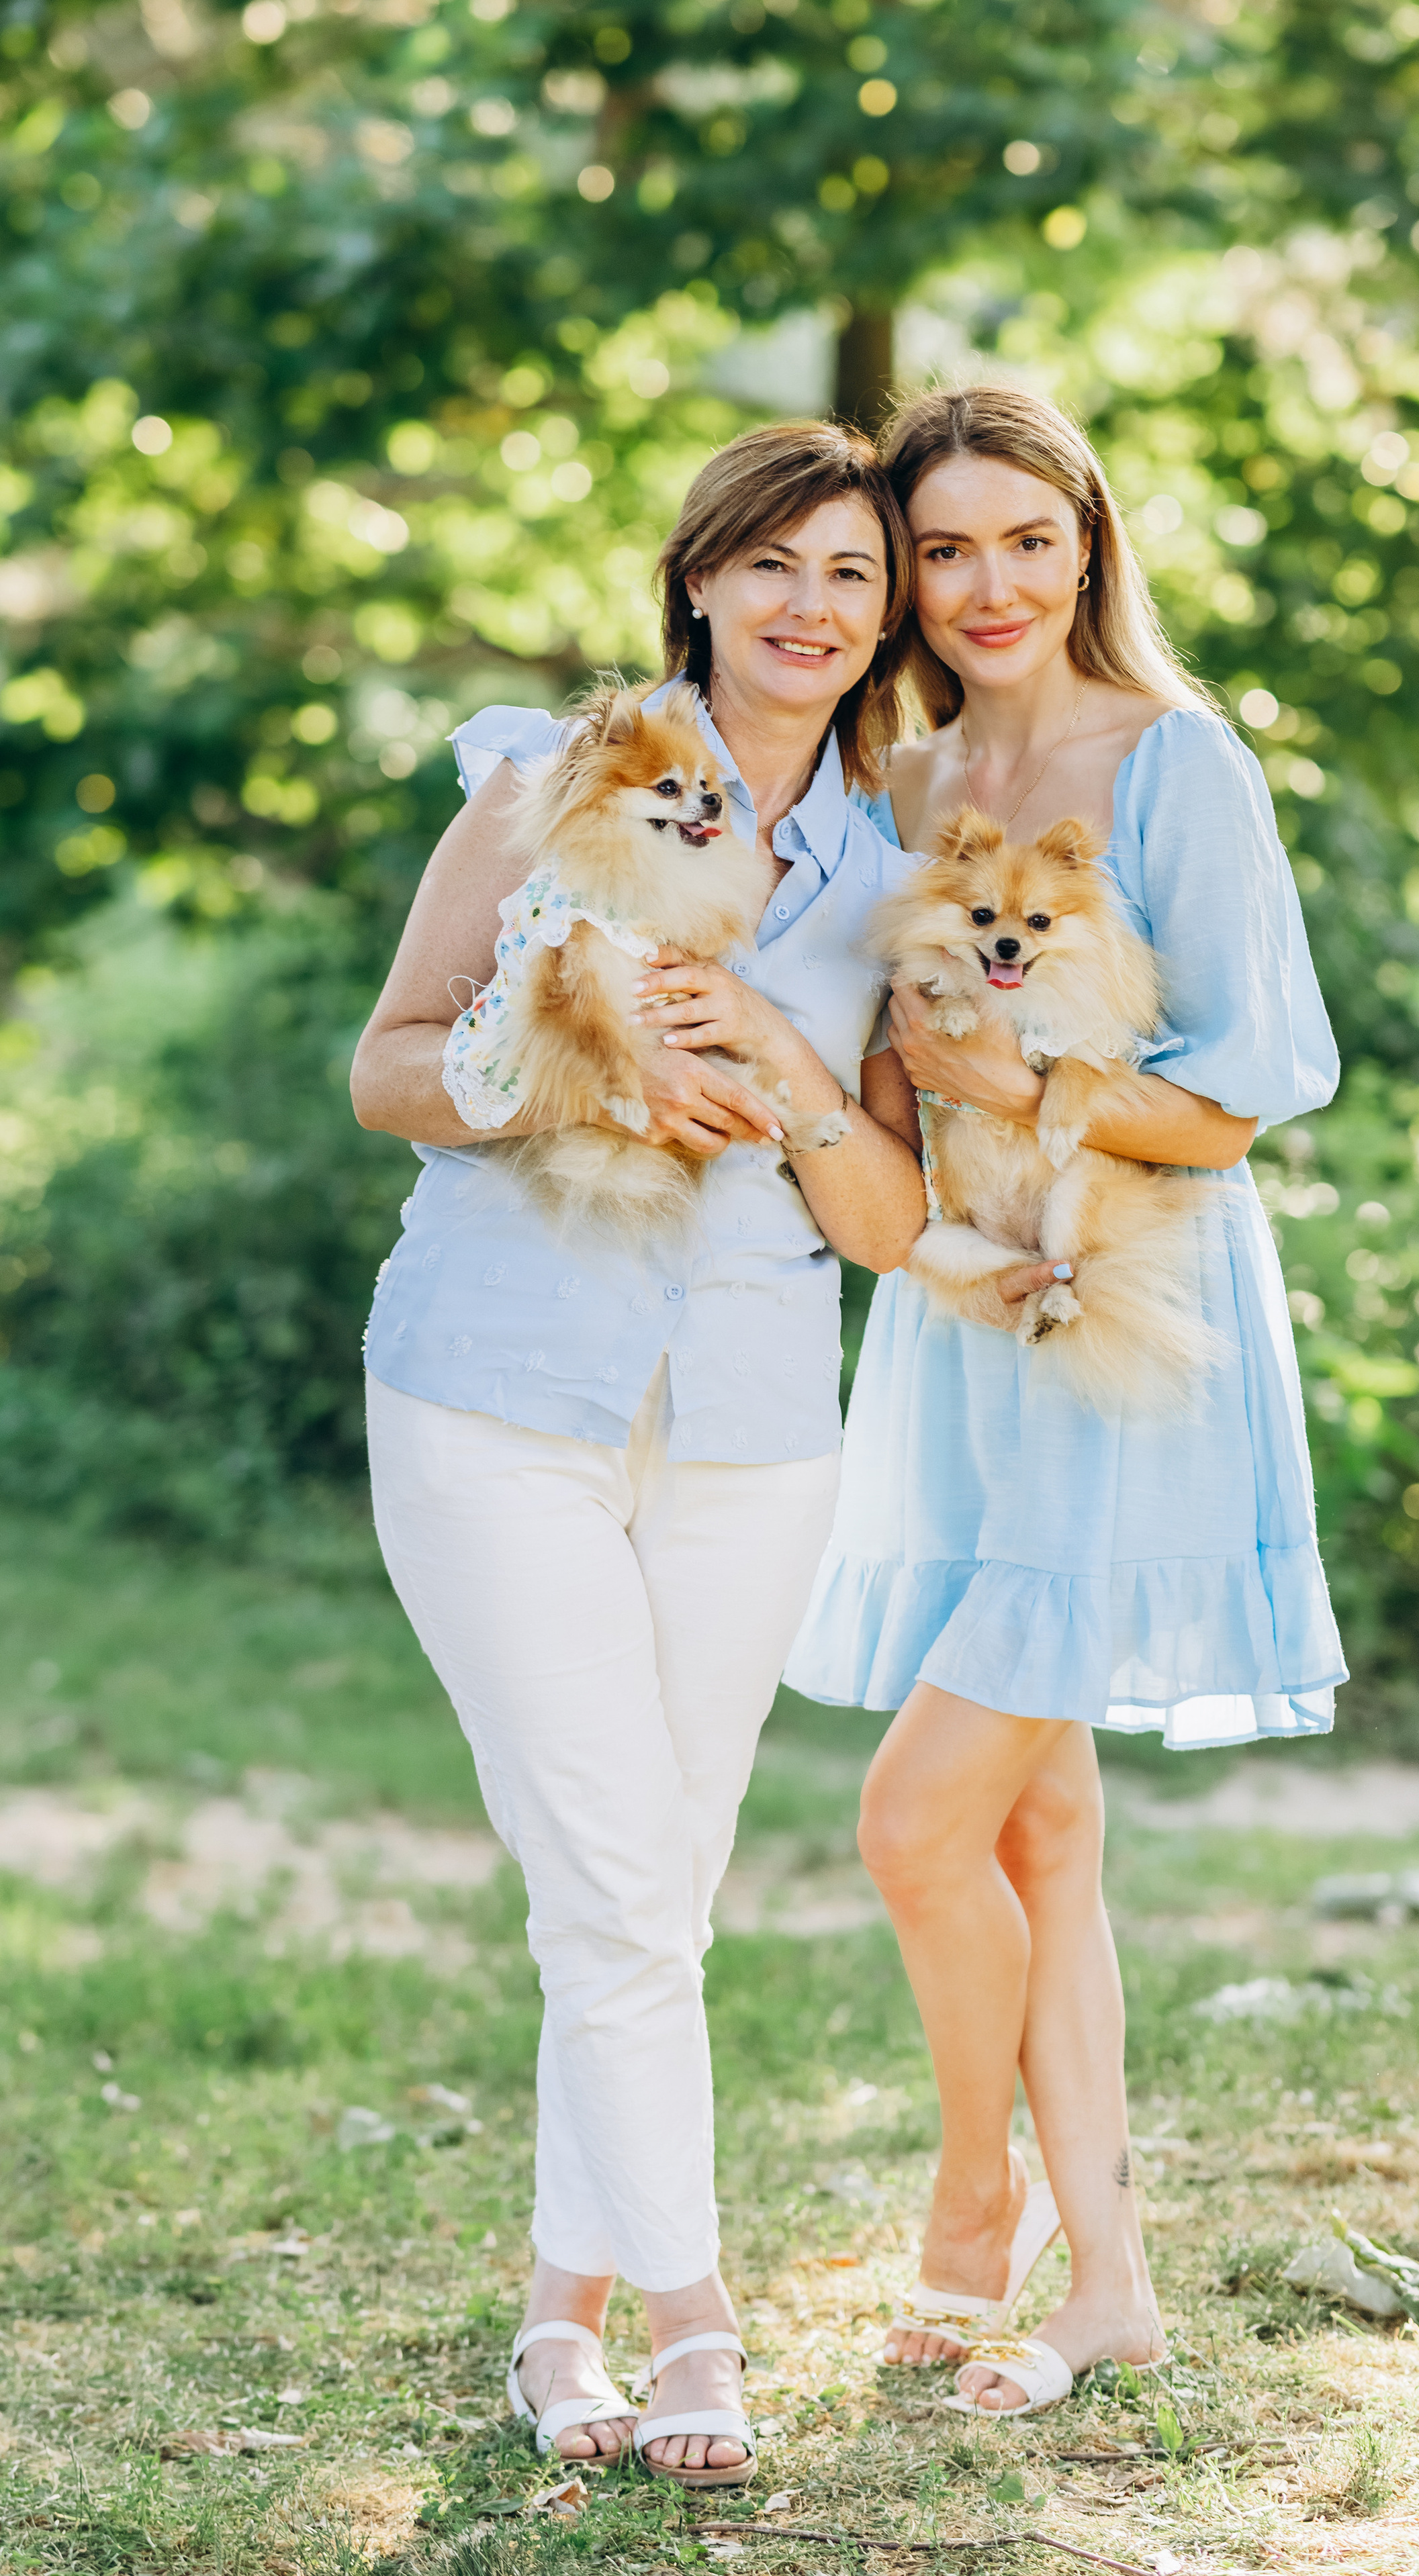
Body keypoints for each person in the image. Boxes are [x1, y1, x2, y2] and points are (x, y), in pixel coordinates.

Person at [350, 421, 927, 2485]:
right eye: (768, 565)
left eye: (850, 576)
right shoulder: (544, 775)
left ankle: (554, 2320)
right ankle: (695, 2323)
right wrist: (557, 1086)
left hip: (760, 1418)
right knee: (613, 1878)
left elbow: (885, 1222)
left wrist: (778, 1068)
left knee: (650, 1892)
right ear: (699, 581)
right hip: (496, 1385)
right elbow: (390, 1059)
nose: (806, 608)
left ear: (887, 617)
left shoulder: (896, 859)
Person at [786, 385, 1344, 2418]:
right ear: (908, 578)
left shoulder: (1174, 763)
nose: (990, 583)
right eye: (947, 550)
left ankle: (976, 2207)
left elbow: (1256, 1091)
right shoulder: (906, 770)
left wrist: (1023, 1090)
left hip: (1126, 1319)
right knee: (1033, 1827)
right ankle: (1111, 2281)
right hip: (963, 1320)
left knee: (913, 1820)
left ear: (1092, 542)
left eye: (1029, 538)